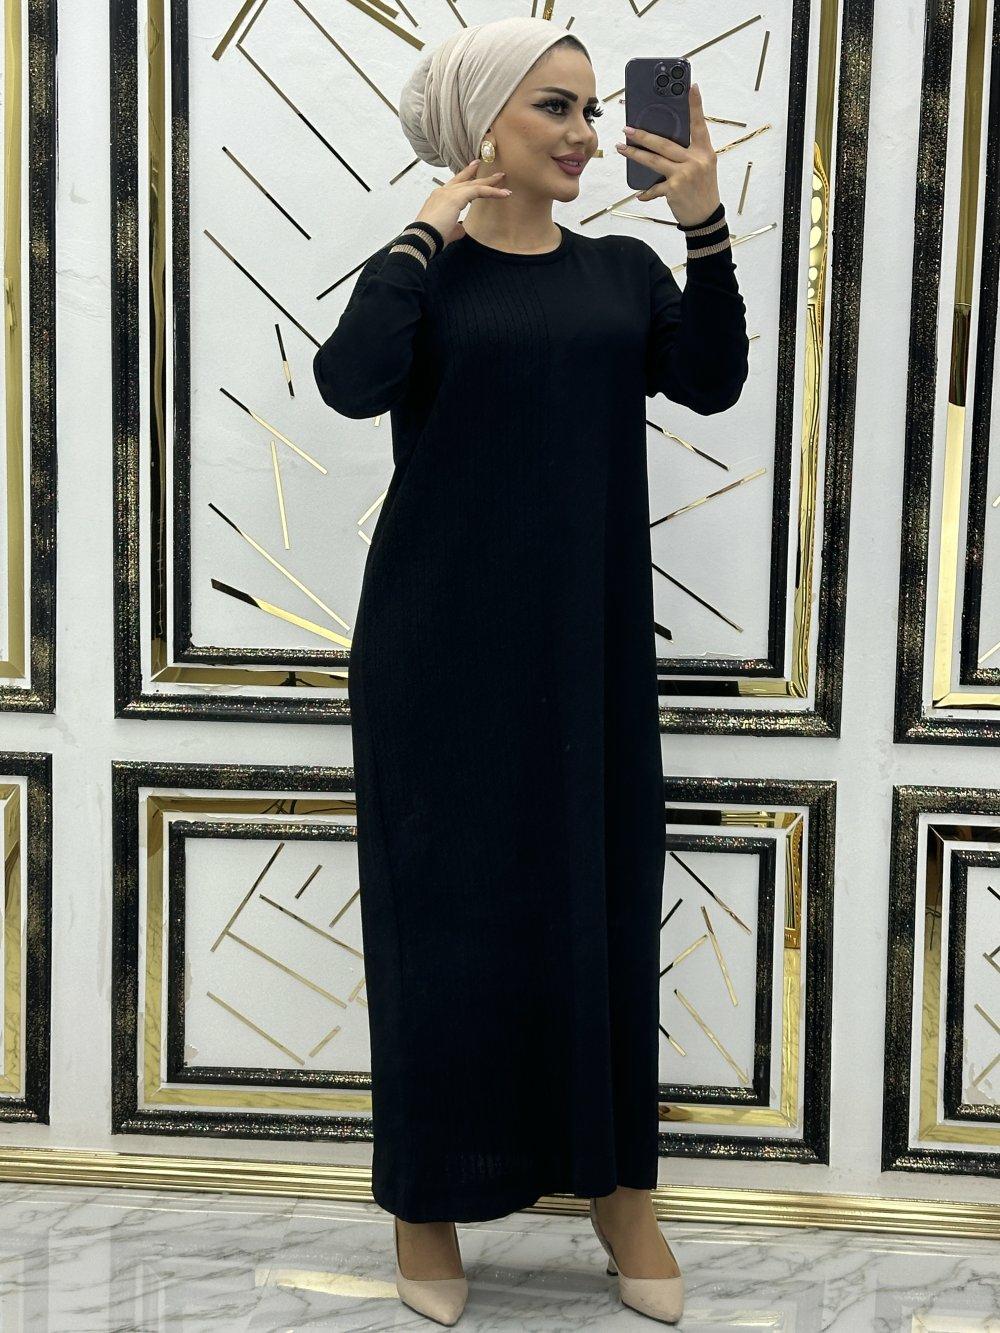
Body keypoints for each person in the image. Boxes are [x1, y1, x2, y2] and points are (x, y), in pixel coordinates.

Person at [313, 16, 749, 1326]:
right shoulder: (427, 277)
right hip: (437, 650)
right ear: (480, 122)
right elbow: (350, 381)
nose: (583, 132)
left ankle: (620, 1195)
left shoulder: (620, 272)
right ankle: (428, 1202)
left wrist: (704, 223)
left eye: (591, 107)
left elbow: (713, 381)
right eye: (553, 107)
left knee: (603, 907)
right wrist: (425, 229)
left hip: (589, 647)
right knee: (441, 923)